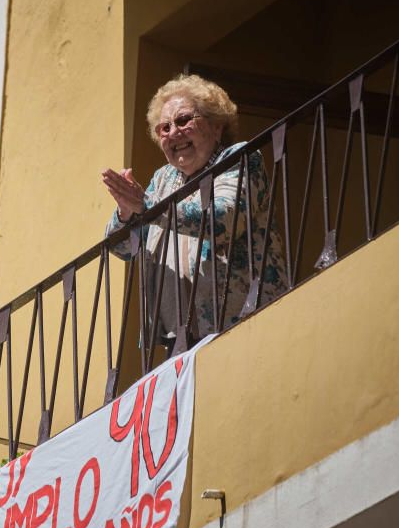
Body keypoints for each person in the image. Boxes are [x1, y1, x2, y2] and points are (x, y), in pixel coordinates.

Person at [101, 74, 287, 342]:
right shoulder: (163, 179)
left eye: (183, 120)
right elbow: (121, 249)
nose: (173, 133)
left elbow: (223, 219)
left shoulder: (238, 158)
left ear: (216, 126)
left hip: (244, 321)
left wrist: (147, 206)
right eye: (164, 128)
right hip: (177, 340)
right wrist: (126, 212)